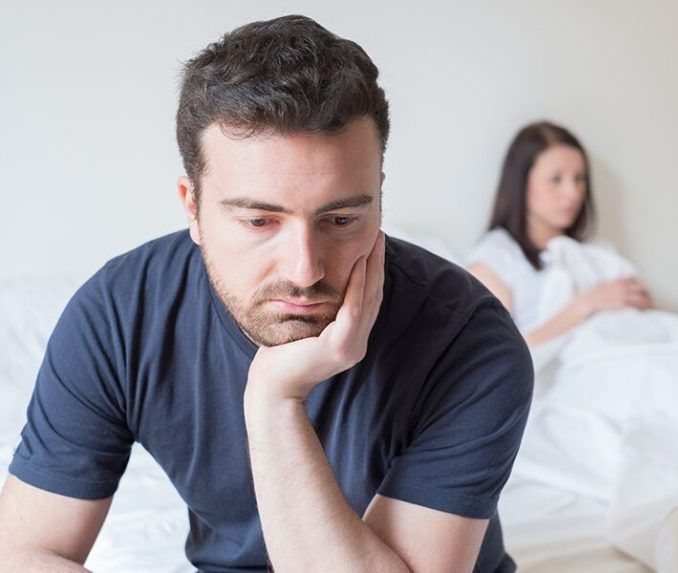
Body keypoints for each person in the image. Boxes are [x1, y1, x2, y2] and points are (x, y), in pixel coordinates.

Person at [0, 15, 533, 573]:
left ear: (379, 195)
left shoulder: (470, 341)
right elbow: (25, 554)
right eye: (258, 221)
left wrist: (275, 399)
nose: (304, 270)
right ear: (193, 208)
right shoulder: (118, 316)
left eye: (342, 219)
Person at [467, 121, 654, 350]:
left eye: (579, 179)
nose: (573, 194)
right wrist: (588, 304)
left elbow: (643, 317)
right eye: (556, 179)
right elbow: (499, 358)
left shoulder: (595, 253)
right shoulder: (494, 261)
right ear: (521, 183)